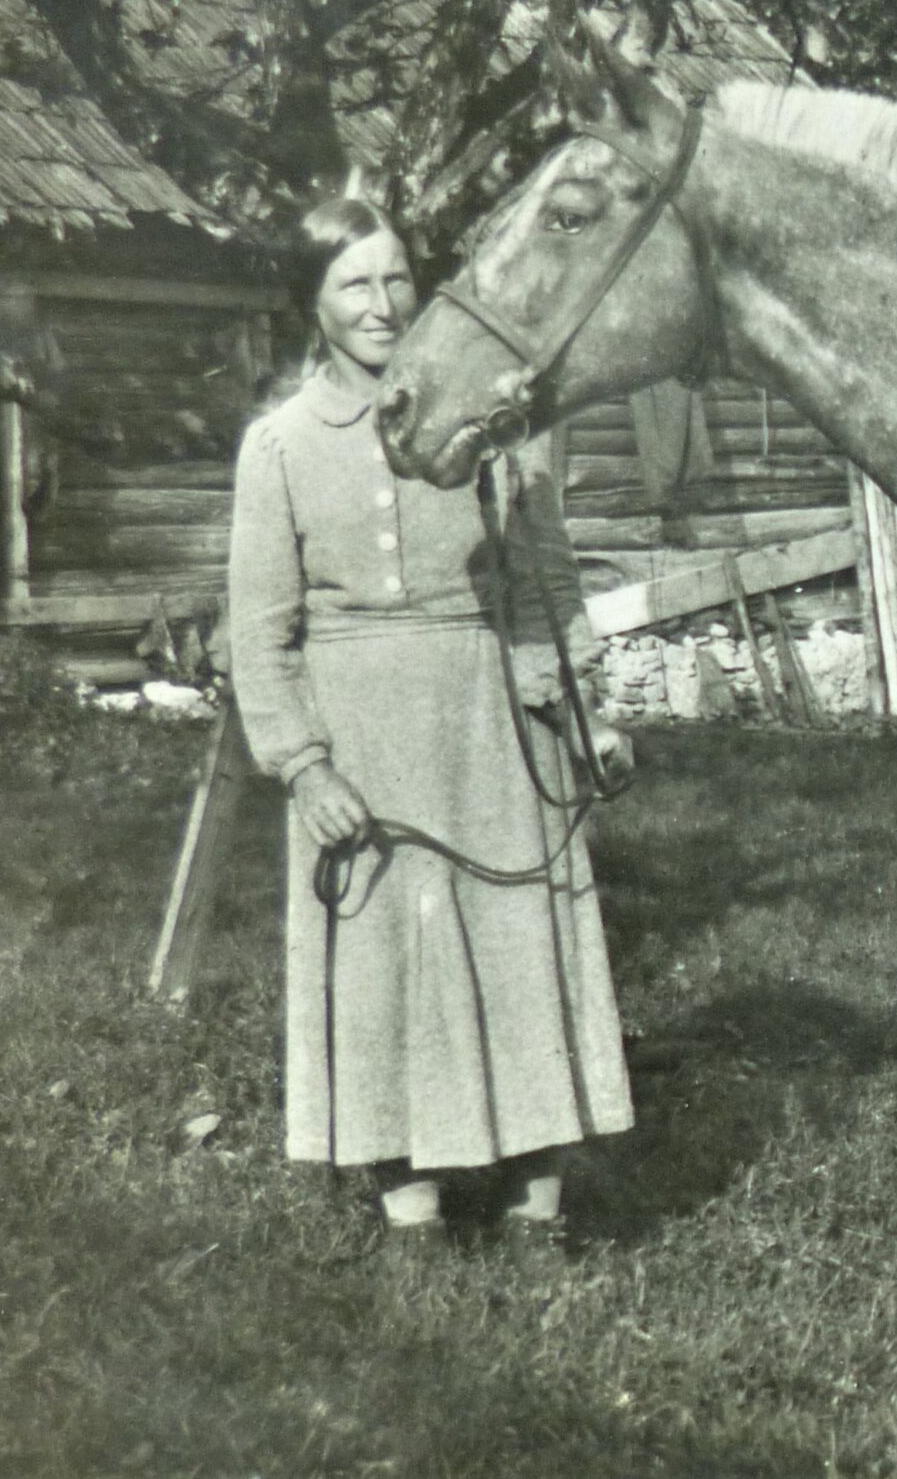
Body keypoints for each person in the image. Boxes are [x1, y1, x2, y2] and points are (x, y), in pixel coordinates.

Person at [227, 195, 634, 1261]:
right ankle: (411, 1217)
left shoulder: (492, 421)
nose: (382, 302)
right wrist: (305, 768)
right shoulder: (279, 447)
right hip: (362, 733)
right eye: (355, 283)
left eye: (397, 277)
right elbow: (260, 633)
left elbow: (542, 574)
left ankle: (536, 1206)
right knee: (382, 959)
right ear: (312, 302)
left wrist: (582, 707)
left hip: (488, 713)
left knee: (519, 940)